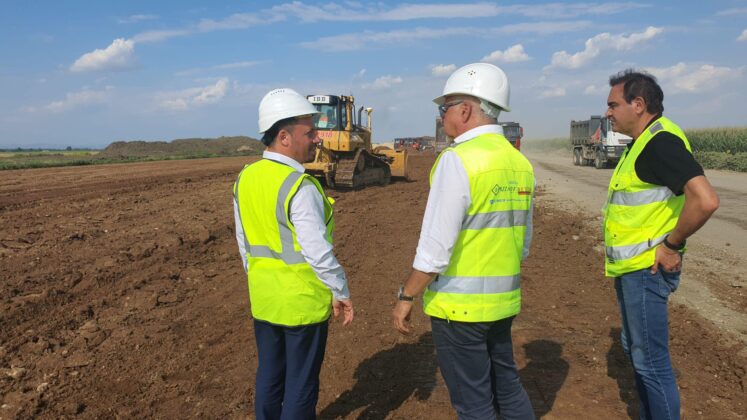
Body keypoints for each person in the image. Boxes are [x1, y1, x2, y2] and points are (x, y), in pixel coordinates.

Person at [392, 63, 535, 420]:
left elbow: (435, 249)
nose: (442, 117)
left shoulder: (457, 160)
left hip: (460, 309)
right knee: (507, 387)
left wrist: (407, 296)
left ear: (466, 110)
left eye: (445, 108)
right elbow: (524, 242)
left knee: (474, 403)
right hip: (502, 303)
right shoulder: (519, 162)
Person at [603, 69, 719, 419]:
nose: (608, 112)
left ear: (638, 104)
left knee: (651, 362)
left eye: (613, 105)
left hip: (647, 270)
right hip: (632, 269)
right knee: (637, 353)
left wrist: (672, 245)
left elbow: (705, 200)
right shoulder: (641, 143)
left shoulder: (659, 143)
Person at [233, 88, 354, 420]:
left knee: (270, 376)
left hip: (265, 300)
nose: (317, 138)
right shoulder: (299, 186)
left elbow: (244, 243)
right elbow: (318, 252)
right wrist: (340, 291)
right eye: (309, 132)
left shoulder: (245, 178)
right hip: (302, 305)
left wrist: (262, 281)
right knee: (301, 385)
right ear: (284, 137)